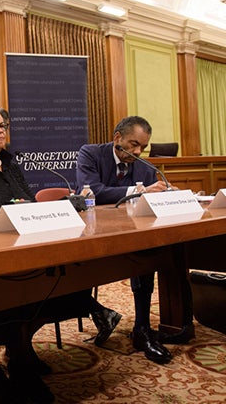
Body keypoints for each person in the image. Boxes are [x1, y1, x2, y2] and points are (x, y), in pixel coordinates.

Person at [0, 102, 121, 404]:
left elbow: (24, 199)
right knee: (11, 289)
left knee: (59, 276)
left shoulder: (10, 162)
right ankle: (6, 362)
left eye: (3, 126)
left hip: (23, 244)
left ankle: (20, 350)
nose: (0, 131)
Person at [76, 115, 194, 365]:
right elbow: (91, 190)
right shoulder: (91, 153)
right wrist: (139, 191)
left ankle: (142, 328)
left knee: (150, 254)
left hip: (133, 233)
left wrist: (169, 194)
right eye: (133, 144)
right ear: (117, 138)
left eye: (143, 146)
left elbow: (152, 198)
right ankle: (98, 311)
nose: (138, 151)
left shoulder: (143, 165)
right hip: (94, 234)